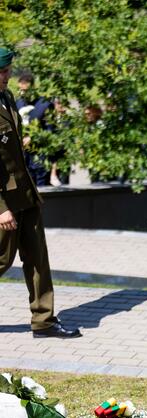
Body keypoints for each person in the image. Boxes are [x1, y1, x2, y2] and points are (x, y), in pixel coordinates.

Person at [0, 47, 80, 339]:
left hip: (26, 193)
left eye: (7, 71)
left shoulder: (7, 98)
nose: (5, 77)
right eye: (1, 72)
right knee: (1, 260)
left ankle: (44, 321)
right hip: (4, 200)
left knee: (37, 257)